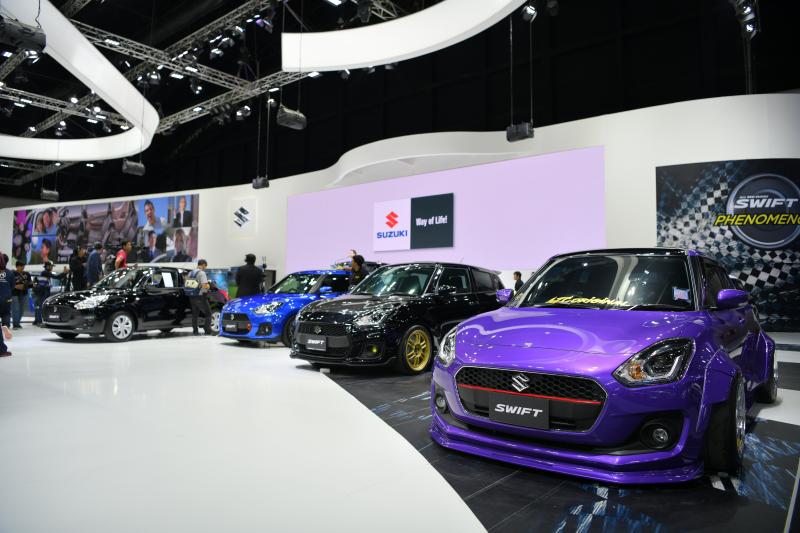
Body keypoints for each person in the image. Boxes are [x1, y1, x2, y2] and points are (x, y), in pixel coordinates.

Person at [32, 261, 68, 325]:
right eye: (51, 266)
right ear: (48, 266)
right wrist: (64, 273)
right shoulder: (45, 272)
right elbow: (56, 277)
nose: (52, 268)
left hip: (41, 292)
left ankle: (37, 320)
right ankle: (39, 321)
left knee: (38, 306)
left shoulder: (44, 273)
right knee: (41, 306)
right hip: (42, 292)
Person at [186, 259, 212, 336]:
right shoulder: (202, 273)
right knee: (208, 314)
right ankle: (207, 331)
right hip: (200, 296)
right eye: (205, 266)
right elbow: (204, 285)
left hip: (191, 296)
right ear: (203, 265)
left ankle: (195, 331)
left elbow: (187, 284)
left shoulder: (190, 273)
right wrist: (209, 285)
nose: (205, 268)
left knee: (195, 314)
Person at [12, 260, 32, 329]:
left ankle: (17, 323)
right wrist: (15, 286)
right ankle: (15, 324)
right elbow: (9, 283)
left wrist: (26, 285)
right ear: (17, 266)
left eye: (23, 266)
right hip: (14, 293)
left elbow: (30, 284)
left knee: (22, 309)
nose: (23, 267)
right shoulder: (12, 273)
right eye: (21, 266)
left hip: (24, 293)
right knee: (15, 309)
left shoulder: (27, 274)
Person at [0, 254, 12, 335]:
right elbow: (12, 285)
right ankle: (6, 327)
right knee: (6, 313)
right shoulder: (10, 273)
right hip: (7, 297)